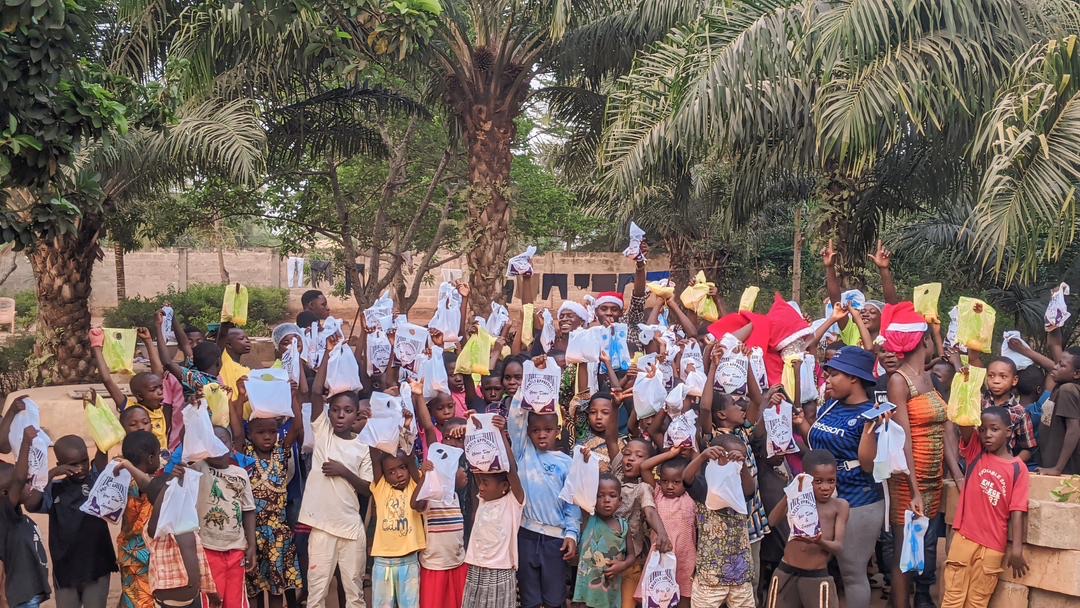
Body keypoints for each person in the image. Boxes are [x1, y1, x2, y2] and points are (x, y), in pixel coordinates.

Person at [877, 303, 952, 608]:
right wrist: (915, 491)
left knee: (919, 549)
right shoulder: (899, 380)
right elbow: (902, 439)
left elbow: (944, 429)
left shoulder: (928, 377)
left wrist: (956, 475)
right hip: (910, 480)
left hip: (932, 478)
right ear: (923, 341)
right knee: (904, 553)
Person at [796, 346, 883, 608]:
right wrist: (802, 424)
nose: (828, 379)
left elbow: (867, 465)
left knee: (852, 572)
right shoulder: (832, 404)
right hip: (820, 497)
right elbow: (818, 444)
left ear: (854, 378)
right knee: (811, 563)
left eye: (835, 374)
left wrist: (869, 429)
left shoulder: (871, 413)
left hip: (859, 499)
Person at [298, 337, 372, 608]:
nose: (341, 415)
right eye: (336, 410)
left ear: (357, 416)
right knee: (317, 593)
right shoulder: (323, 433)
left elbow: (368, 489)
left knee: (354, 593)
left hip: (351, 528)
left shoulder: (363, 446)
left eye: (348, 411)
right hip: (322, 527)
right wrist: (327, 355)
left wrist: (344, 472)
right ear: (329, 413)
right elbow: (316, 393)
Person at [941, 407, 1029, 608]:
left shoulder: (1018, 468)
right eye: (982, 430)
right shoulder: (976, 453)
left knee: (978, 601)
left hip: (993, 545)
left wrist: (1017, 548)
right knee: (953, 597)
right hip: (964, 537)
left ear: (1008, 432)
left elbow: (1017, 510)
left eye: (994, 429)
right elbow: (964, 422)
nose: (987, 435)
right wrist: (967, 390)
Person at [505, 392, 580, 608]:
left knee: (555, 598)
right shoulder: (523, 453)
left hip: (555, 539)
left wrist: (572, 534)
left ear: (557, 431)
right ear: (528, 433)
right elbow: (515, 420)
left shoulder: (567, 463)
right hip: (526, 535)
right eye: (535, 430)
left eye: (547, 430)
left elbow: (572, 504)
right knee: (529, 599)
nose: (541, 435)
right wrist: (526, 388)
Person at [27, 434, 117, 608]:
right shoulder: (54, 489)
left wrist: (98, 422)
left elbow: (103, 450)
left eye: (84, 461)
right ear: (60, 465)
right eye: (74, 464)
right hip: (65, 568)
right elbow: (31, 504)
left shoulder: (96, 481)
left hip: (96, 564)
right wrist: (52, 474)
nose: (81, 468)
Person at [235, 402, 303, 608]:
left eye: (272, 432)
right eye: (260, 432)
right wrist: (238, 399)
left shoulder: (280, 453)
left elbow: (297, 426)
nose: (267, 437)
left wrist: (293, 397)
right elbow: (237, 432)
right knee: (253, 588)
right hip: (251, 534)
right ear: (250, 434)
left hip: (277, 534)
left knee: (276, 589)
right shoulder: (246, 454)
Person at [765, 450, 849, 608]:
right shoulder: (797, 499)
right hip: (786, 571)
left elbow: (838, 547)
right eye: (818, 481)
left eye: (831, 481)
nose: (825, 487)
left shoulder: (840, 506)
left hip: (816, 575)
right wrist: (790, 494)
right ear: (807, 478)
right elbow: (772, 521)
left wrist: (819, 541)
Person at [682, 434, 758, 608]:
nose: (734, 461)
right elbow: (686, 478)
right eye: (731, 456)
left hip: (740, 573)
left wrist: (743, 467)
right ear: (717, 455)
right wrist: (702, 457)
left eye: (739, 457)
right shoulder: (705, 485)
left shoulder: (739, 484)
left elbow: (750, 491)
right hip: (711, 574)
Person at [461, 413, 525, 608]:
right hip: (477, 567)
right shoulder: (482, 499)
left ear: (504, 486)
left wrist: (501, 434)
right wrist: (473, 433)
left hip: (500, 569)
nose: (480, 486)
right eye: (480, 482)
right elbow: (476, 465)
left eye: (486, 483)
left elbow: (511, 469)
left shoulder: (513, 502)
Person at [189, 424, 256, 608]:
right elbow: (186, 441)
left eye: (221, 441)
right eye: (210, 442)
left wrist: (251, 545)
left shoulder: (241, 474)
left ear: (232, 446)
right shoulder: (198, 469)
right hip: (208, 548)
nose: (216, 446)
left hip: (236, 548)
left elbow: (249, 510)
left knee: (235, 601)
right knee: (213, 600)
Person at [90, 327, 172, 454]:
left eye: (160, 388)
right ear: (140, 396)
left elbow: (158, 374)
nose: (160, 392)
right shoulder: (130, 409)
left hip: (161, 460)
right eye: (153, 389)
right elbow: (107, 380)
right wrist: (96, 347)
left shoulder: (159, 408)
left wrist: (148, 341)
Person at [113, 431, 167, 608]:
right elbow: (149, 488)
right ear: (151, 458)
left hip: (130, 556)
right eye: (158, 455)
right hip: (145, 557)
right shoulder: (141, 483)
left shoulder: (120, 480)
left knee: (133, 599)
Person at [1, 426, 50, 608]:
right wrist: (26, 442)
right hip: (21, 598)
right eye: (23, 484)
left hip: (29, 595)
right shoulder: (4, 512)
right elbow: (19, 478)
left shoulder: (14, 514)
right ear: (5, 493)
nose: (29, 485)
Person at [369, 447, 425, 608]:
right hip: (383, 563)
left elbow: (411, 458)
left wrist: (407, 440)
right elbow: (374, 457)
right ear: (384, 476)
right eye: (391, 472)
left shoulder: (414, 486)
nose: (399, 474)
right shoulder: (381, 488)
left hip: (409, 562)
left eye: (402, 467)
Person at [639, 449, 695, 607]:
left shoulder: (692, 497)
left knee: (685, 595)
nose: (669, 486)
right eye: (664, 481)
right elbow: (644, 467)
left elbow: (697, 469)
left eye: (676, 482)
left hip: (686, 558)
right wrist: (671, 454)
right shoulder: (657, 494)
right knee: (657, 596)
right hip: (660, 557)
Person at [573, 472, 632, 608]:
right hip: (586, 592)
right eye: (600, 496)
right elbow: (580, 487)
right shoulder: (588, 519)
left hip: (610, 590)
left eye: (612, 496)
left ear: (620, 501)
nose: (606, 500)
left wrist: (623, 565)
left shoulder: (623, 526)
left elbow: (631, 556)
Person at [981, 357, 1037, 462]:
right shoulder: (979, 402)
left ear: (1014, 380)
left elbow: (1028, 448)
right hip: (976, 461)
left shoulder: (1020, 412)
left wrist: (1011, 464)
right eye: (991, 376)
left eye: (1003, 377)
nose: (996, 381)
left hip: (1001, 464)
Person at [1037, 347, 1080, 475]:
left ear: (1076, 374)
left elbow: (1073, 429)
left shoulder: (1068, 390)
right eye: (1057, 363)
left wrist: (1057, 469)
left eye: (1062, 365)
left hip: (1065, 470)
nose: (1055, 367)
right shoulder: (1059, 387)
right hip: (1049, 461)